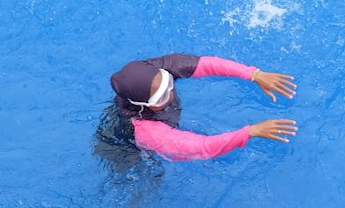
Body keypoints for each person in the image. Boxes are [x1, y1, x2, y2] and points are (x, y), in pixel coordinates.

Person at [108, 53, 296, 161]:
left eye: (169, 83)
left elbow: (208, 65)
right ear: (145, 105)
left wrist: (254, 74)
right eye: (163, 95)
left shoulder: (157, 68)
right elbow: (202, 148)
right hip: (126, 147)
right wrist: (250, 132)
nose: (171, 93)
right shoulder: (148, 132)